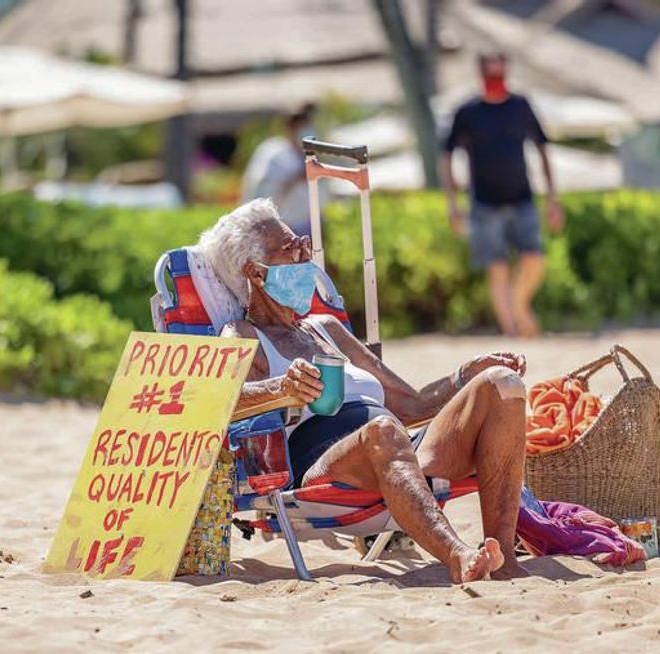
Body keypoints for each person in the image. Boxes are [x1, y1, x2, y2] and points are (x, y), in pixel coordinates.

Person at [199, 198, 530, 583]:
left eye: (304, 243)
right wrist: (280, 388)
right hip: (324, 465)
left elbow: (410, 403)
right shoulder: (242, 335)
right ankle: (457, 555)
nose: (306, 256)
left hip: (398, 451)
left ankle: (504, 558)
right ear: (256, 273)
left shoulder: (326, 328)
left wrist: (465, 374)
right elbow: (215, 401)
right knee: (384, 433)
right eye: (292, 249)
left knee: (503, 387)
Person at [441, 52, 564, 338]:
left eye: (499, 75)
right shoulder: (467, 112)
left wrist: (552, 198)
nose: (496, 81)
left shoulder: (521, 106)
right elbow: (446, 155)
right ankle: (511, 331)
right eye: (490, 75)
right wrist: (452, 202)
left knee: (534, 258)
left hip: (522, 197)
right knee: (497, 269)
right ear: (481, 75)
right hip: (483, 202)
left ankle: (519, 307)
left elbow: (543, 148)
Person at [240, 103, 319, 236]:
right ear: (290, 127)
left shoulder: (307, 156)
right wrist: (295, 179)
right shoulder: (272, 152)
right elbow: (261, 193)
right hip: (275, 231)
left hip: (305, 229)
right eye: (301, 126)